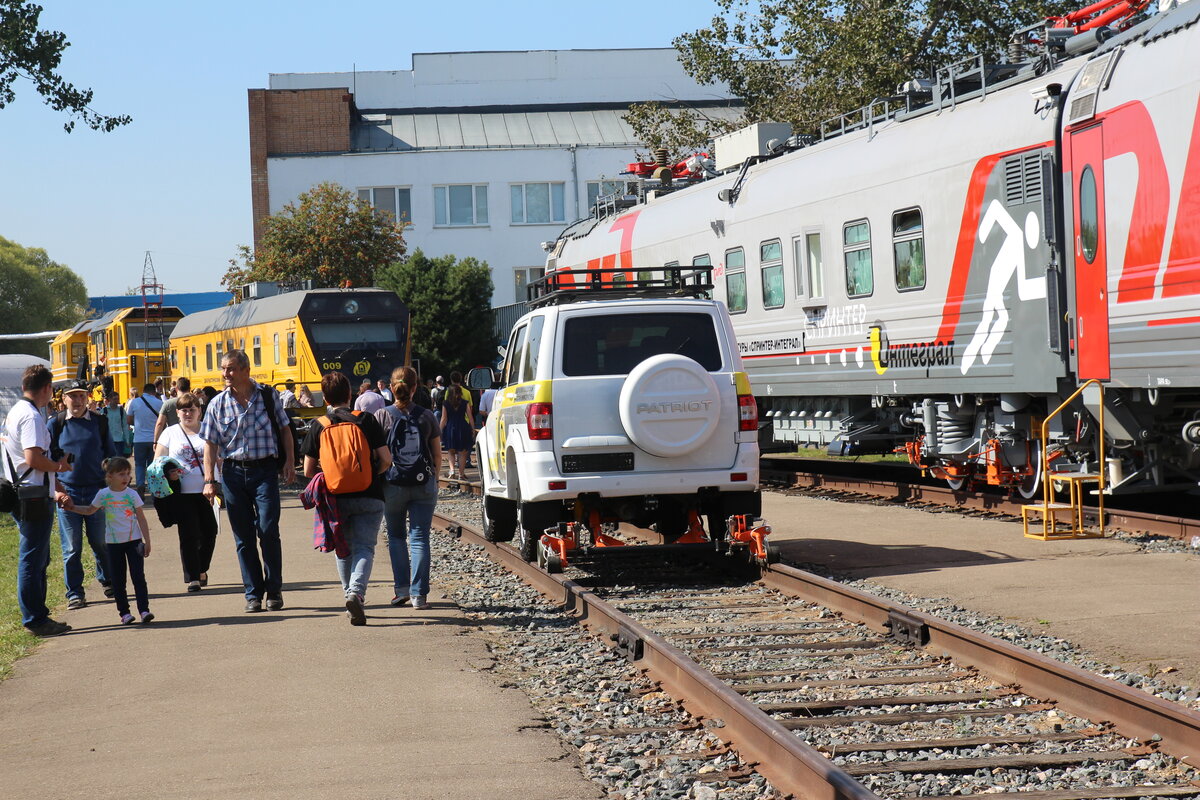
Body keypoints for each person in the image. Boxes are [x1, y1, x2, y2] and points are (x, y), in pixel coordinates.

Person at [200, 349, 294, 613]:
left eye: (230, 368)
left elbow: (285, 428)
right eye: (223, 369)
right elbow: (209, 444)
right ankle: (253, 594)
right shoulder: (217, 403)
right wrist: (209, 479)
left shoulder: (267, 395)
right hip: (232, 473)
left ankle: (274, 590)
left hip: (264, 471)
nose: (225, 374)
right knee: (243, 537)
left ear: (245, 370)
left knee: (267, 529)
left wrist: (288, 461)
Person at [300, 371, 391, 625]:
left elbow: (307, 470)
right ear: (350, 394)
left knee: (343, 549)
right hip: (370, 495)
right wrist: (371, 474)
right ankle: (356, 593)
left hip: (335, 498)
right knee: (365, 547)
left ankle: (348, 598)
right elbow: (386, 459)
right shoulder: (366, 420)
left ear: (325, 398)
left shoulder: (319, 425)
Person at [2, 365, 72, 637]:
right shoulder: (31, 417)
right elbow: (32, 459)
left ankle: (37, 614)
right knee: (33, 558)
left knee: (37, 557)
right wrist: (59, 468)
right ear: (46, 388)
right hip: (32, 495)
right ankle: (35, 618)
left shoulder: (16, 411)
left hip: (23, 491)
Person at [375, 367, 440, 610]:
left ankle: (401, 590)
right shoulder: (427, 416)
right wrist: (433, 480)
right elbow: (436, 455)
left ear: (391, 388)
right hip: (423, 483)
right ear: (415, 388)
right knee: (420, 538)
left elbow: (379, 456)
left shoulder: (382, 416)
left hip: (393, 484)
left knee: (396, 537)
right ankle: (419, 596)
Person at [47, 380, 115, 609]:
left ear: (87, 398)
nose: (77, 400)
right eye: (72, 396)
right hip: (68, 493)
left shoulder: (100, 422)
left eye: (81, 396)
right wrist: (57, 491)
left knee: (100, 542)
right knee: (71, 548)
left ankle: (107, 580)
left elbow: (111, 457)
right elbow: (46, 460)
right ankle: (75, 593)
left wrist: (111, 487)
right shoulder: (54, 424)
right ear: (63, 399)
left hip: (96, 490)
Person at [69, 456, 154, 625]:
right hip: (114, 544)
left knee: (138, 577)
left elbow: (141, 519)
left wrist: (147, 541)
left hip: (134, 541)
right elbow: (90, 510)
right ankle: (124, 613)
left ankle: (144, 610)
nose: (126, 478)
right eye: (121, 474)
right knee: (118, 579)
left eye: (128, 474)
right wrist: (72, 507)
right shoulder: (103, 495)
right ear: (110, 477)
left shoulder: (132, 494)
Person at [155, 392, 217, 592]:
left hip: (208, 490)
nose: (188, 413)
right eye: (184, 410)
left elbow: (220, 456)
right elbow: (158, 462)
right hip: (182, 492)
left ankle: (202, 568)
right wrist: (168, 473)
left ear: (200, 411)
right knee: (189, 534)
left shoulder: (208, 430)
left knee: (210, 532)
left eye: (192, 409)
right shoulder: (170, 433)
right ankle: (193, 577)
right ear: (178, 412)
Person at [128, 382, 163, 490]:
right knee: (152, 465)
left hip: (139, 439)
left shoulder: (134, 402)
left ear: (143, 391)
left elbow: (128, 420)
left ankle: (140, 485)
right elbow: (162, 421)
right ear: (154, 391)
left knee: (139, 465)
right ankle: (152, 487)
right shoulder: (159, 403)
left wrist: (138, 424)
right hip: (154, 440)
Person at [440, 384, 473, 479]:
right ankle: (461, 474)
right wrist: (472, 428)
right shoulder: (464, 403)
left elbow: (444, 419)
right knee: (462, 452)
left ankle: (452, 471)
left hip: (450, 428)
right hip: (463, 427)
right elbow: (470, 416)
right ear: (460, 392)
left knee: (451, 451)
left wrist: (439, 430)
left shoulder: (446, 403)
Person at [152, 376, 191, 444]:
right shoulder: (195, 403)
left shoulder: (168, 404)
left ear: (176, 389)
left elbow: (160, 424)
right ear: (189, 389)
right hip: (191, 437)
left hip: (173, 439)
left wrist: (156, 441)